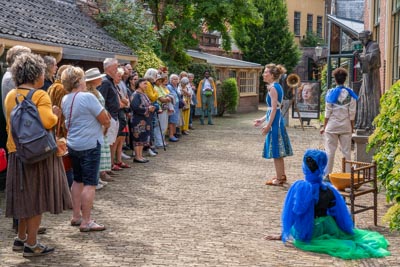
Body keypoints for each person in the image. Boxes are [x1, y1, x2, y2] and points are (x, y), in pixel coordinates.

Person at [4, 53, 72, 257]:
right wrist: (55, 114)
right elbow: (47, 121)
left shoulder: (11, 95)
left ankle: (21, 237)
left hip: (16, 151)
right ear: (36, 75)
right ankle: (32, 244)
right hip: (37, 153)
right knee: (36, 200)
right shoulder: (40, 95)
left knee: (24, 197)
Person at [266, 149, 390, 260]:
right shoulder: (330, 189)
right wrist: (345, 230)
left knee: (304, 233)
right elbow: (339, 215)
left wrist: (283, 234)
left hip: (309, 229)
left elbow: (294, 213)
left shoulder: (301, 188)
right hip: (329, 226)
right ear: (322, 167)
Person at [61, 66, 110, 232]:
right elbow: (104, 118)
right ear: (78, 80)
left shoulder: (65, 99)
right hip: (90, 143)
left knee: (77, 180)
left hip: (73, 143)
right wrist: (106, 127)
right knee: (90, 183)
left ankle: (76, 216)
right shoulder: (88, 97)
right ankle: (86, 221)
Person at [254, 64, 293, 186]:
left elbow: (275, 109)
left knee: (276, 150)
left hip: (276, 123)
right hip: (277, 120)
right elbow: (273, 108)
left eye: (266, 72)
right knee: (278, 150)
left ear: (271, 75)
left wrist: (268, 125)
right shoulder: (276, 87)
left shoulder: (273, 88)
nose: (263, 74)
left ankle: (280, 178)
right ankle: (281, 175)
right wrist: (262, 120)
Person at [320, 67, 358, 175]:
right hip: (346, 126)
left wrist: (324, 126)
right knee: (346, 152)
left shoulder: (330, 93)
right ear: (345, 79)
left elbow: (327, 113)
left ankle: (327, 175)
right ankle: (347, 175)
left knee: (330, 152)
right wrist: (352, 127)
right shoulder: (351, 94)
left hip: (332, 126)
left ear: (335, 79)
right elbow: (352, 113)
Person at [84, 68, 114, 185]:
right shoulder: (90, 93)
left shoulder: (96, 91)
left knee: (101, 150)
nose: (101, 79)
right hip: (97, 124)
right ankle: (95, 178)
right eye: (99, 77)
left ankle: (98, 176)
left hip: (102, 122)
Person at [47, 64, 74, 187]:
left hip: (52, 127)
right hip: (60, 129)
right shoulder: (62, 89)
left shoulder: (52, 86)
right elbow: (62, 112)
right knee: (64, 161)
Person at [353, 30, 381, 131]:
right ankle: (363, 122)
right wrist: (359, 58)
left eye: (362, 39)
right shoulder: (366, 47)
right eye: (360, 40)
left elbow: (373, 59)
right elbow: (364, 62)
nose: (361, 42)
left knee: (370, 97)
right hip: (366, 76)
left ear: (367, 38)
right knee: (362, 97)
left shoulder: (374, 45)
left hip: (372, 77)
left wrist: (360, 57)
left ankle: (372, 122)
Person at [97, 58, 120, 171]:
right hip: (109, 117)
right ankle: (105, 170)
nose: (117, 69)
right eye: (115, 67)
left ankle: (109, 167)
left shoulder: (110, 81)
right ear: (109, 68)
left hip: (114, 116)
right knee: (107, 144)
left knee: (111, 143)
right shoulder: (105, 82)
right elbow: (101, 100)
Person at [130, 78, 156, 163]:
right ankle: (137, 156)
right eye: (145, 84)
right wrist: (148, 108)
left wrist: (151, 107)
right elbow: (135, 107)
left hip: (145, 119)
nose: (146, 85)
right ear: (139, 84)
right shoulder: (136, 94)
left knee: (142, 138)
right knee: (138, 137)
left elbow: (148, 104)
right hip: (138, 120)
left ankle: (140, 155)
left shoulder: (143, 94)